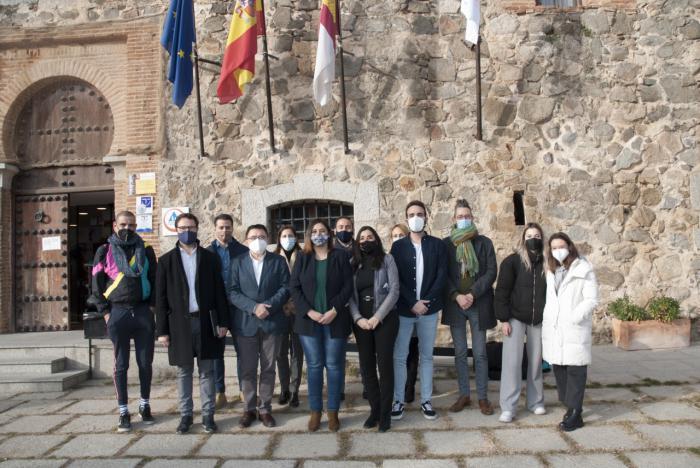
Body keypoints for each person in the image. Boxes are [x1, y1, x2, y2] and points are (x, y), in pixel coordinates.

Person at [156, 213, 230, 434]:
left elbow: (220, 293)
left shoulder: (210, 258)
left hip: (205, 322)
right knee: (183, 372)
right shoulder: (166, 261)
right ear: (176, 230)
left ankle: (208, 415)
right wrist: (162, 331)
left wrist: (224, 322)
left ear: (197, 229)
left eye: (190, 226)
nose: (186, 230)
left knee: (207, 371)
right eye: (182, 227)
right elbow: (160, 298)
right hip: (179, 324)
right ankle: (186, 415)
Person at [89, 211, 157, 432]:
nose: (127, 228)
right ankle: (123, 411)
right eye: (123, 224)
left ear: (136, 226)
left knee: (145, 363)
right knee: (121, 365)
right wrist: (105, 312)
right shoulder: (104, 250)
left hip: (142, 311)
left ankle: (144, 405)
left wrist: (152, 307)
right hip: (117, 312)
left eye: (131, 225)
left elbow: (155, 279)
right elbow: (96, 284)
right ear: (114, 224)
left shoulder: (146, 249)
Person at [290, 219, 353, 432]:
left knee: (335, 367)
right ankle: (315, 411)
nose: (319, 234)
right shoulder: (302, 257)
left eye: (322, 231)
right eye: (314, 231)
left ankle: (333, 411)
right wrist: (310, 311)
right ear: (309, 235)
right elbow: (294, 287)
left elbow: (348, 286)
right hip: (309, 321)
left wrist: (334, 310)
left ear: (329, 234)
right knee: (315, 366)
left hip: (335, 319)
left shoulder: (341, 256)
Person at [390, 201, 448, 421]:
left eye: (420, 214)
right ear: (406, 219)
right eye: (412, 214)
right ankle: (398, 400)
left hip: (429, 310)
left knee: (426, 356)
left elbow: (441, 276)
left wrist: (427, 301)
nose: (416, 217)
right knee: (400, 356)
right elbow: (396, 279)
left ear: (427, 217)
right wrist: (412, 301)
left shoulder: (437, 245)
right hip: (405, 310)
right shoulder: (398, 247)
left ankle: (426, 400)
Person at [229, 224, 290, 428]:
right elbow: (233, 291)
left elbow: (285, 288)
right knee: (247, 369)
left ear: (268, 239)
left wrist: (268, 307)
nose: (258, 240)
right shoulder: (237, 262)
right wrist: (254, 307)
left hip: (271, 323)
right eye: (253, 236)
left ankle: (265, 409)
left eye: (262, 236)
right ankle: (249, 408)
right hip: (246, 324)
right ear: (246, 240)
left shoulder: (278, 261)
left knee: (268, 368)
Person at [442, 200, 498, 415]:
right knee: (460, 352)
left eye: (467, 216)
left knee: (481, 353)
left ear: (472, 218)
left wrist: (472, 294)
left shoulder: (485, 243)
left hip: (478, 302)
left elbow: (491, 271)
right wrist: (457, 296)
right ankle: (464, 394)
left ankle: (483, 397)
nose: (464, 219)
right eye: (460, 216)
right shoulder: (446, 245)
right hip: (455, 304)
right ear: (454, 220)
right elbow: (443, 274)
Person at [542, 232, 599, 432]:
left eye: (561, 246)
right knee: (559, 368)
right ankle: (570, 406)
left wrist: (575, 316)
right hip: (556, 327)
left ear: (569, 246)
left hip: (574, 326)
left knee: (575, 370)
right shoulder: (552, 270)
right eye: (554, 247)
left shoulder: (584, 268)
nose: (558, 250)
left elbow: (591, 299)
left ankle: (576, 413)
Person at [494, 222, 547, 423]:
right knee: (512, 363)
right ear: (523, 239)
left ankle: (535, 402)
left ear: (542, 239)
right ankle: (508, 406)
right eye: (529, 235)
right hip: (515, 318)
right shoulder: (512, 262)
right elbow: (502, 292)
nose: (533, 238)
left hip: (538, 320)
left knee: (535, 363)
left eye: (537, 235)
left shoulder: (546, 263)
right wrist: (504, 318)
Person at [349, 226, 400, 432]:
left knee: (384, 366)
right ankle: (375, 411)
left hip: (385, 320)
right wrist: (358, 318)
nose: (366, 240)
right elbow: (349, 296)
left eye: (370, 237)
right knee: (367, 367)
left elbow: (395, 290)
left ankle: (386, 415)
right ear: (358, 242)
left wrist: (377, 317)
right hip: (361, 323)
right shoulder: (353, 264)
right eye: (362, 238)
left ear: (376, 240)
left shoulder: (387, 260)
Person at [207, 214, 249, 409]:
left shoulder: (243, 251)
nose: (224, 231)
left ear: (233, 228)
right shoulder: (206, 253)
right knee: (217, 352)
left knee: (243, 351)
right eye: (221, 227)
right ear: (215, 228)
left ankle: (244, 389)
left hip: (238, 307)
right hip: (217, 308)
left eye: (228, 227)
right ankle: (219, 391)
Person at [274, 226, 304, 408]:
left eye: (291, 235)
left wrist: (297, 302)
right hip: (279, 311)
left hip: (299, 311)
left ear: (296, 237)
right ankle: (284, 388)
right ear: (278, 238)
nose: (287, 238)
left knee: (297, 353)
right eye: (284, 236)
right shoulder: (273, 257)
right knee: (280, 353)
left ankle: (295, 390)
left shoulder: (303, 255)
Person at [391, 223, 419, 404]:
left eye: (401, 234)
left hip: (414, 308)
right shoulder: (387, 258)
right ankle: (397, 387)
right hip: (396, 311)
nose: (398, 238)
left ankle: (410, 387)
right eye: (394, 235)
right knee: (398, 352)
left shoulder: (414, 256)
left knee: (413, 351)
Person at [333, 215, 357, 401]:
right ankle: (338, 388)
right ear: (335, 230)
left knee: (366, 348)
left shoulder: (361, 248)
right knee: (337, 351)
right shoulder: (330, 249)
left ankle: (368, 386)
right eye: (341, 226)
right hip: (339, 306)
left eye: (348, 226)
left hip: (360, 304)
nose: (344, 229)